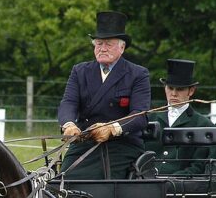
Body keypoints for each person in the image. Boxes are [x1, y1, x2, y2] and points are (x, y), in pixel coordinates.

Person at [57, 11, 151, 179]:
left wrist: (112, 128)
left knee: (100, 182)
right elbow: (69, 102)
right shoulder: (80, 71)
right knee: (62, 179)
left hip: (121, 145)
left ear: (122, 47)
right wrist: (69, 125)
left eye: (108, 44)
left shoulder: (137, 74)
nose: (102, 48)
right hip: (84, 142)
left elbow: (140, 115)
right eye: (99, 43)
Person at [144, 59, 213, 176]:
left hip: (181, 183)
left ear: (191, 91)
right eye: (170, 88)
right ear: (165, 88)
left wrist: (173, 180)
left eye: (180, 89)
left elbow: (198, 165)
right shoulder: (149, 117)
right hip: (146, 181)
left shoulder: (203, 124)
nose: (174, 93)